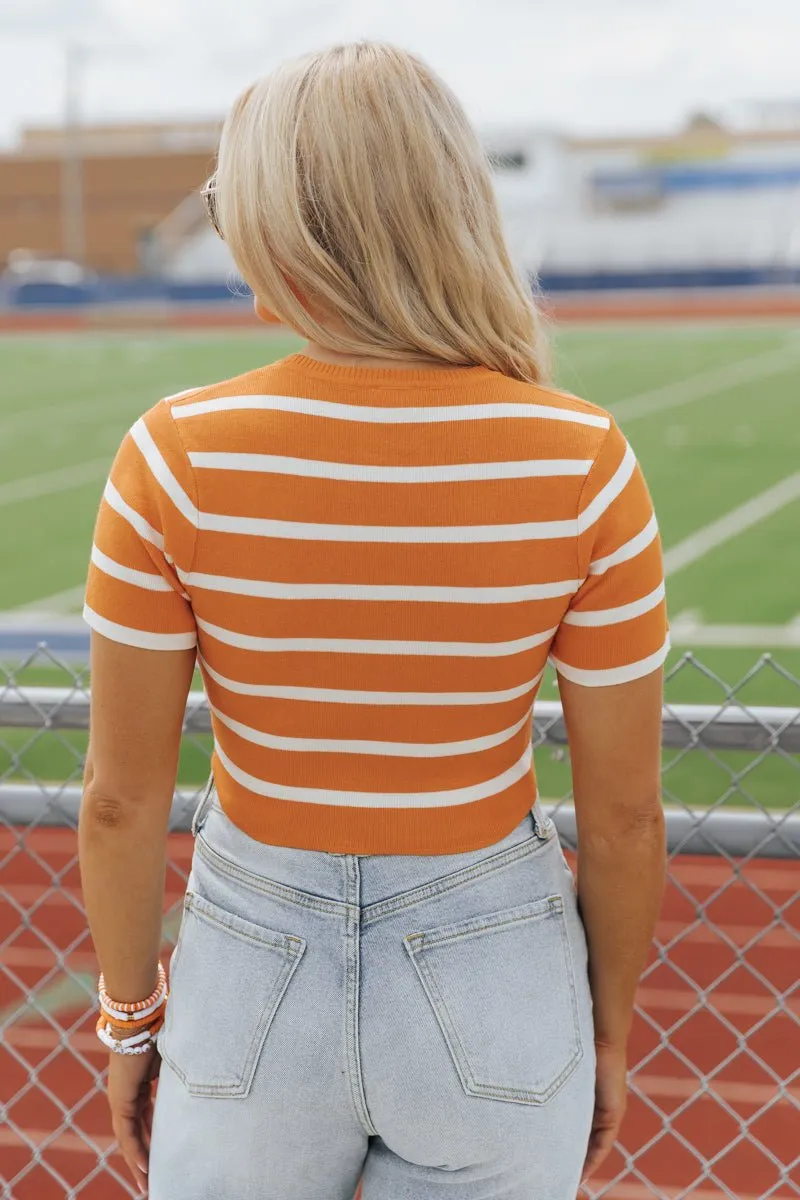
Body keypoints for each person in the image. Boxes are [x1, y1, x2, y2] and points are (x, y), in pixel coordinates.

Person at [78, 41, 668, 1200]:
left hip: (249, 978)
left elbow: (118, 798)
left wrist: (130, 1023)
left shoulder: (174, 457)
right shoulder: (584, 461)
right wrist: (600, 1030)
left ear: (280, 221)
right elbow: (624, 816)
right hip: (497, 972)